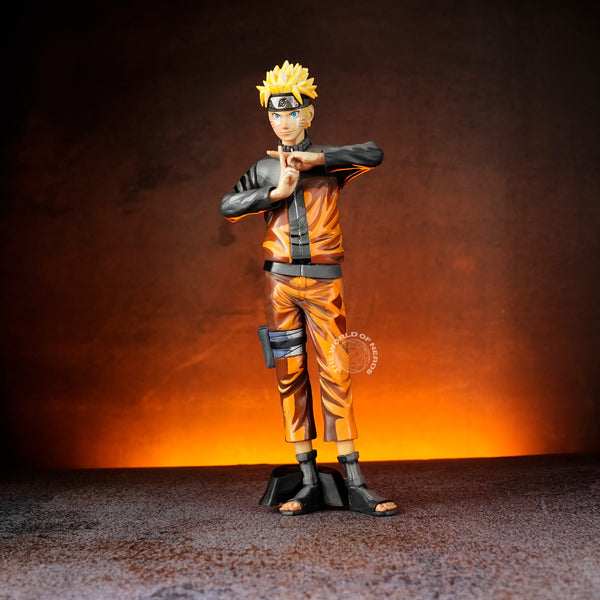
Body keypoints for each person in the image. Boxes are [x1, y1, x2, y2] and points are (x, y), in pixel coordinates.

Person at [220, 61, 397, 517]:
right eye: (275, 114)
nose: (283, 122)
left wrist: (313, 161)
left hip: (323, 283)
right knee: (289, 373)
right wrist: (275, 193)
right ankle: (307, 479)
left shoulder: (330, 162)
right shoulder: (264, 167)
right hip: (278, 283)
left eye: (292, 112)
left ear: (308, 114)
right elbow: (229, 205)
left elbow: (373, 153)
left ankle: (355, 481)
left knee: (336, 370)